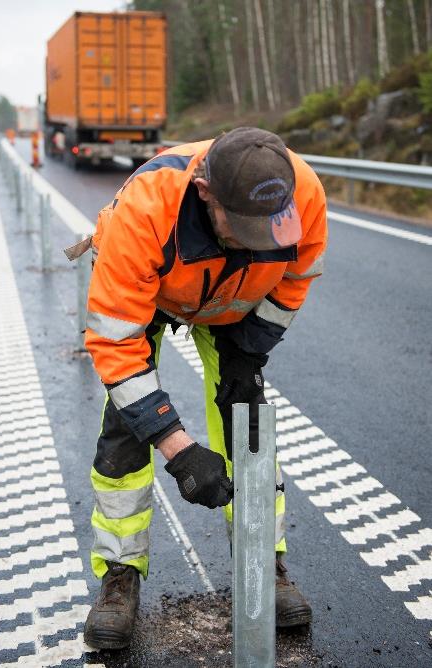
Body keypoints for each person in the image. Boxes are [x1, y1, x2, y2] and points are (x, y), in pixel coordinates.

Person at [82, 127, 327, 649]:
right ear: (205, 192)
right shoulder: (146, 211)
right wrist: (179, 449)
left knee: (250, 420)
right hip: (152, 297)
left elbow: (295, 279)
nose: (255, 240)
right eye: (242, 229)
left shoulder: (301, 192)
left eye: (269, 231)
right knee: (127, 428)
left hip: (236, 304)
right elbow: (117, 348)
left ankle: (266, 563)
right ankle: (120, 575)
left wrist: (248, 352)